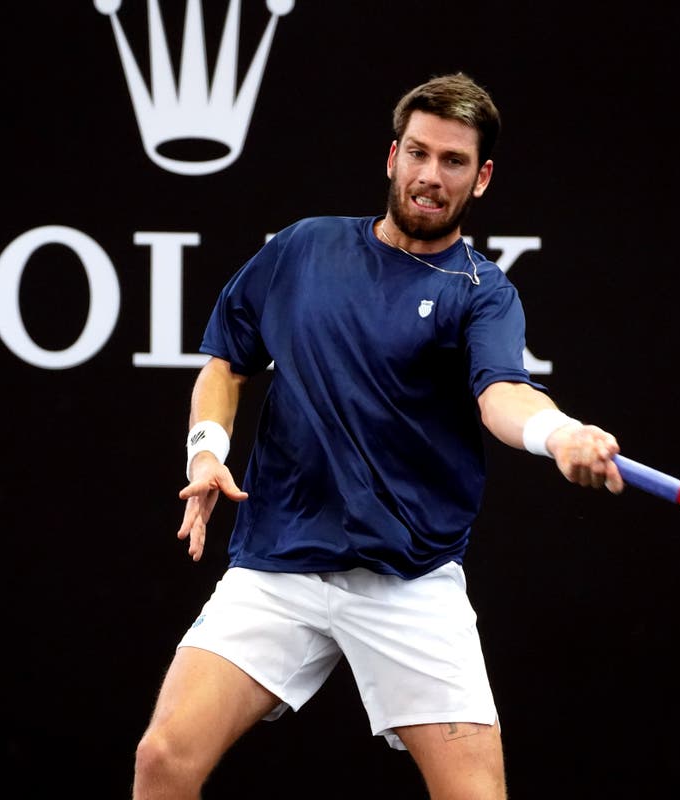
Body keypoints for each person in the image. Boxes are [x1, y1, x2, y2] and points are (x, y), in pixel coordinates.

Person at [132, 72, 624, 800]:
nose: (431, 176)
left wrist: (559, 434)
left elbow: (501, 395)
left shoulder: (482, 293)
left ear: (481, 178)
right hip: (281, 564)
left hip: (409, 580)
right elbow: (225, 364)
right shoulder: (302, 250)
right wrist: (207, 448)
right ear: (392, 156)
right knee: (163, 760)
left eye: (453, 161)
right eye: (418, 153)